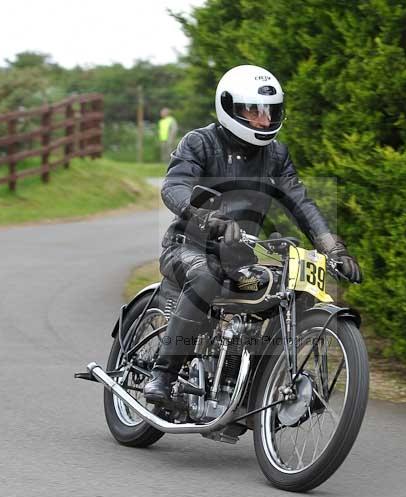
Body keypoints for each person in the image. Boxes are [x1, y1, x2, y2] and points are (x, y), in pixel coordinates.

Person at [143, 64, 363, 404]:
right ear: (229, 107)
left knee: (287, 289)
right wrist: (202, 216)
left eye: (270, 112)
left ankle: (250, 387)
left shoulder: (276, 154)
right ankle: (163, 374)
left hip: (240, 254)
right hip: (187, 246)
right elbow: (174, 186)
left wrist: (333, 249)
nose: (263, 121)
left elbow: (301, 201)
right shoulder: (199, 142)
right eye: (253, 111)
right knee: (205, 276)